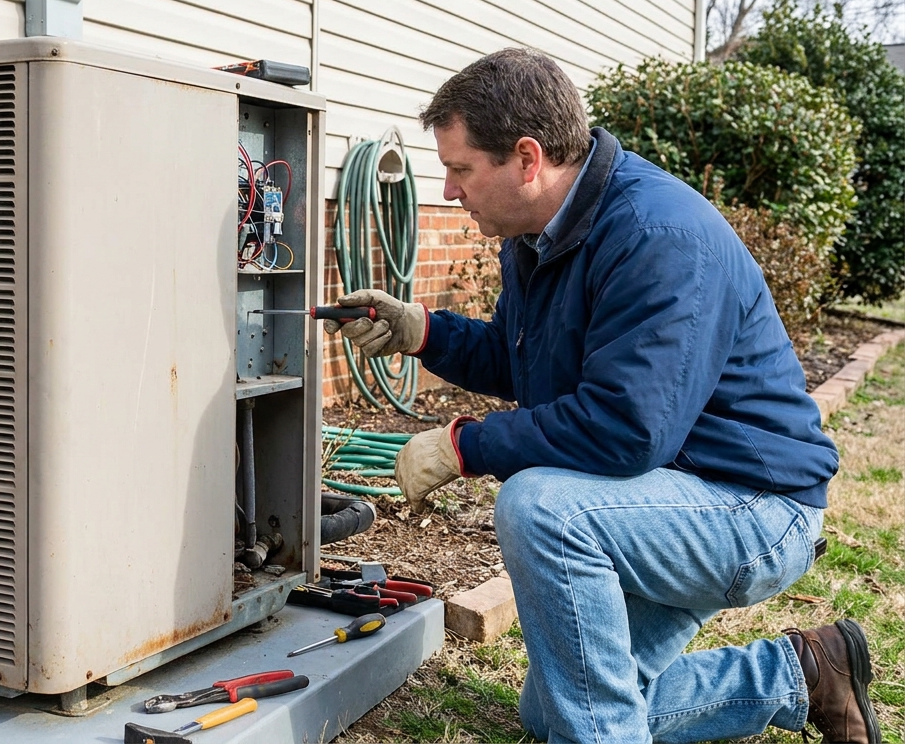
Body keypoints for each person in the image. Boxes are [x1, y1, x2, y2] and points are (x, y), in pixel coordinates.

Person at [327, 48, 880, 744]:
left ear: (527, 160)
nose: (448, 190)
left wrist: (464, 446)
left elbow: (625, 428)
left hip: (752, 509)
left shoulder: (659, 237)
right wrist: (423, 332)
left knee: (542, 508)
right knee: (553, 708)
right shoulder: (539, 235)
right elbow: (525, 358)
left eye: (461, 168)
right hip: (662, 498)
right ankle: (802, 673)